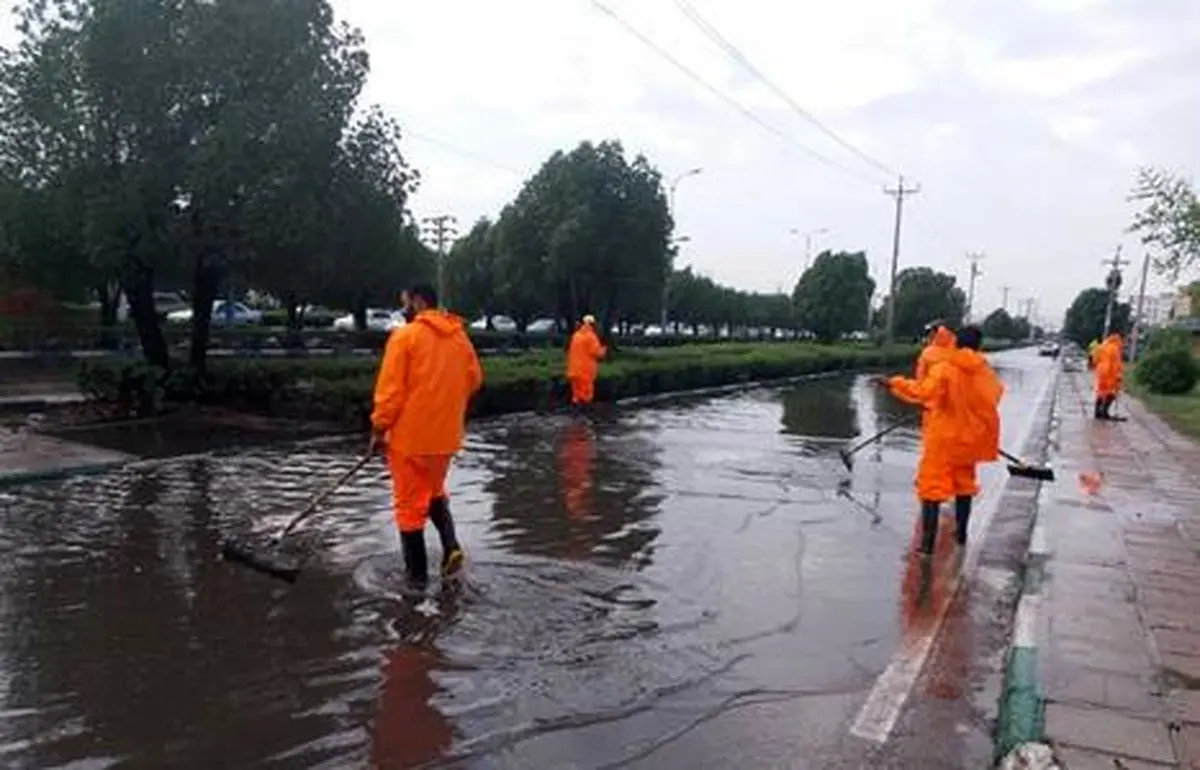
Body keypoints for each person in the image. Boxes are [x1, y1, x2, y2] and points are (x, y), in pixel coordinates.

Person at [370, 284, 483, 585]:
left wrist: (379, 429)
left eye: (405, 303)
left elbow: (390, 393)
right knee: (432, 490)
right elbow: (474, 380)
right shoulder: (460, 338)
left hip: (409, 439)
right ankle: (451, 547)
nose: (403, 309)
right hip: (445, 439)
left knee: (408, 509)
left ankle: (416, 584)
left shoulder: (404, 337)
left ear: (419, 302)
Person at [885, 325, 1004, 558]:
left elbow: (922, 392)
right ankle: (961, 534)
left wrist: (894, 383)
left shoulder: (945, 369)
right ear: (979, 345)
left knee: (931, 488)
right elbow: (993, 398)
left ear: (956, 343)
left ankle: (927, 546)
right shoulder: (984, 372)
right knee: (964, 486)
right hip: (968, 439)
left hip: (942, 437)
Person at [566, 314, 607, 410]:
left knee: (576, 396)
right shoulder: (591, 336)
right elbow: (597, 353)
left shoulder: (576, 335)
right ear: (593, 324)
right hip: (585, 372)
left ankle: (574, 417)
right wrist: (604, 349)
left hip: (573, 371)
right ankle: (584, 419)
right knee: (586, 397)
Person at [1091, 332, 1125, 419]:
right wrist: (1118, 376)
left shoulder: (1102, 346)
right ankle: (1104, 412)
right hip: (1109, 373)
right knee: (1111, 393)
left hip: (1100, 372)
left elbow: (1095, 360)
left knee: (1101, 393)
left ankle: (1097, 412)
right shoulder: (1115, 348)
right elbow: (1116, 364)